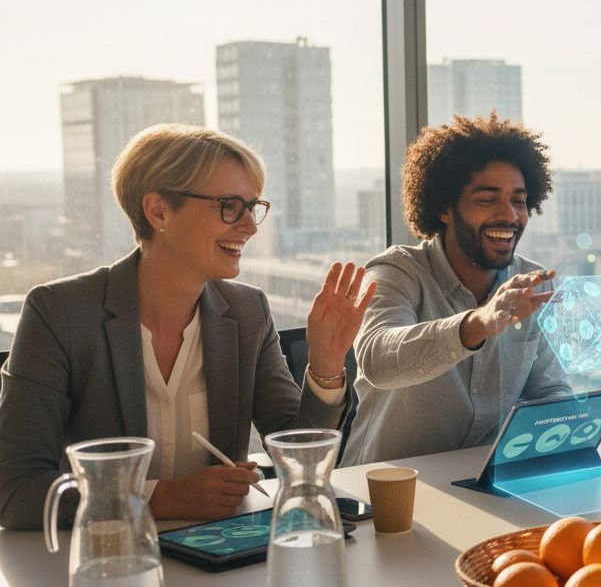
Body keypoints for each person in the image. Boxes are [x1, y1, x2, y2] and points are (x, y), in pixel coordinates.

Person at [0, 124, 370, 529]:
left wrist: (327, 364)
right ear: (158, 211)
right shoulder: (61, 313)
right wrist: (161, 497)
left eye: (253, 207)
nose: (249, 226)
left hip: (217, 560)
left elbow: (300, 459)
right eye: (230, 205)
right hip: (104, 560)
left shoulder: (248, 311)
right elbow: (15, 488)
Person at [343, 114, 569, 465]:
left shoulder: (533, 283)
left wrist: (574, 420)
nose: (509, 215)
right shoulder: (396, 272)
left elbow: (547, 388)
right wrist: (478, 323)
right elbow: (377, 361)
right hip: (382, 496)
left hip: (484, 488)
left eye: (519, 200)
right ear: (445, 208)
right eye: (487, 199)